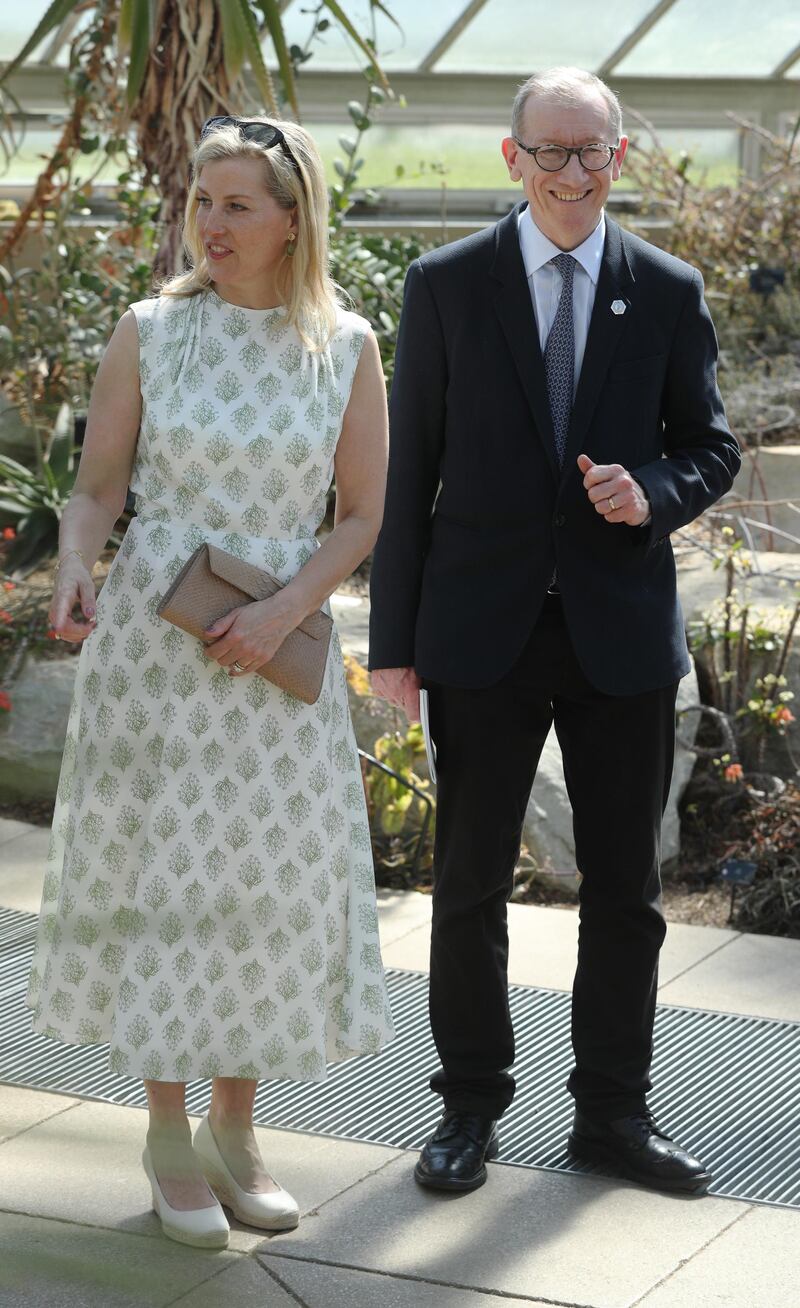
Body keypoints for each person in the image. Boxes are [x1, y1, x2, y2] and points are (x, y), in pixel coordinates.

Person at [369, 66, 740, 1197]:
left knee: (624, 892)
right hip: (478, 634)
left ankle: (612, 1117)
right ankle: (468, 1110)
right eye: (551, 152)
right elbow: (408, 475)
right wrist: (393, 647)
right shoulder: (443, 286)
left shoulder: (666, 289)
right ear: (511, 157)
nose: (571, 173)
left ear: (618, 157)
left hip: (617, 636)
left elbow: (710, 446)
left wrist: (654, 491)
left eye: (592, 153)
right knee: (469, 884)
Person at [27, 115, 394, 1249]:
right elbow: (97, 487)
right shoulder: (150, 330)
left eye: (238, 204)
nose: (212, 223)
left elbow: (363, 517)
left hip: (275, 654)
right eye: (201, 199)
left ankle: (239, 1135)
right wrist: (79, 561)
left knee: (260, 890)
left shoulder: (346, 345)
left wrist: (284, 608)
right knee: (164, 884)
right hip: (154, 652)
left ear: (294, 221)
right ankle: (168, 1132)